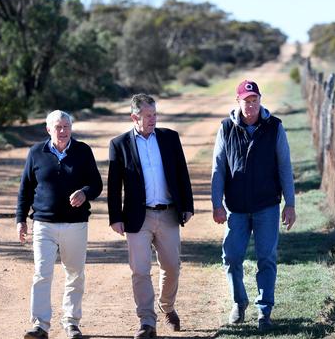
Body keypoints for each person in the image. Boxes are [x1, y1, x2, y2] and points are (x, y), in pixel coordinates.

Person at [211, 79, 297, 331]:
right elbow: (218, 169)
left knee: (266, 259)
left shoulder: (274, 127)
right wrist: (217, 204)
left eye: (254, 100)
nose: (251, 105)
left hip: (267, 206)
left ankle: (264, 311)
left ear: (260, 100)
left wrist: (289, 203)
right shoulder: (226, 128)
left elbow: (285, 167)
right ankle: (239, 303)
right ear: (238, 101)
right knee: (231, 257)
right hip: (235, 208)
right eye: (246, 101)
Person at [107, 94, 194, 339]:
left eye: (155, 115)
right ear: (134, 117)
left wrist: (187, 205)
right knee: (140, 270)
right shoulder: (119, 144)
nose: (152, 120)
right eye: (147, 116)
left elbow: (182, 174)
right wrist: (115, 217)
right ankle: (147, 321)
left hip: (168, 213)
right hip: (137, 217)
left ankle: (167, 306)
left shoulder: (169, 138)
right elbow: (114, 185)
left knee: (172, 267)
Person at [16, 110, 103, 339]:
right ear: (48, 129)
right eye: (58, 127)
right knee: (42, 273)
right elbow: (25, 189)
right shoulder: (36, 152)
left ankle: (71, 322)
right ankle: (40, 325)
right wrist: (20, 220)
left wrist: (85, 193)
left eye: (66, 126)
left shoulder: (83, 151)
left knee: (75, 273)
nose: (63, 131)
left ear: (71, 128)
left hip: (75, 224)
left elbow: (96, 184)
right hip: (43, 223)